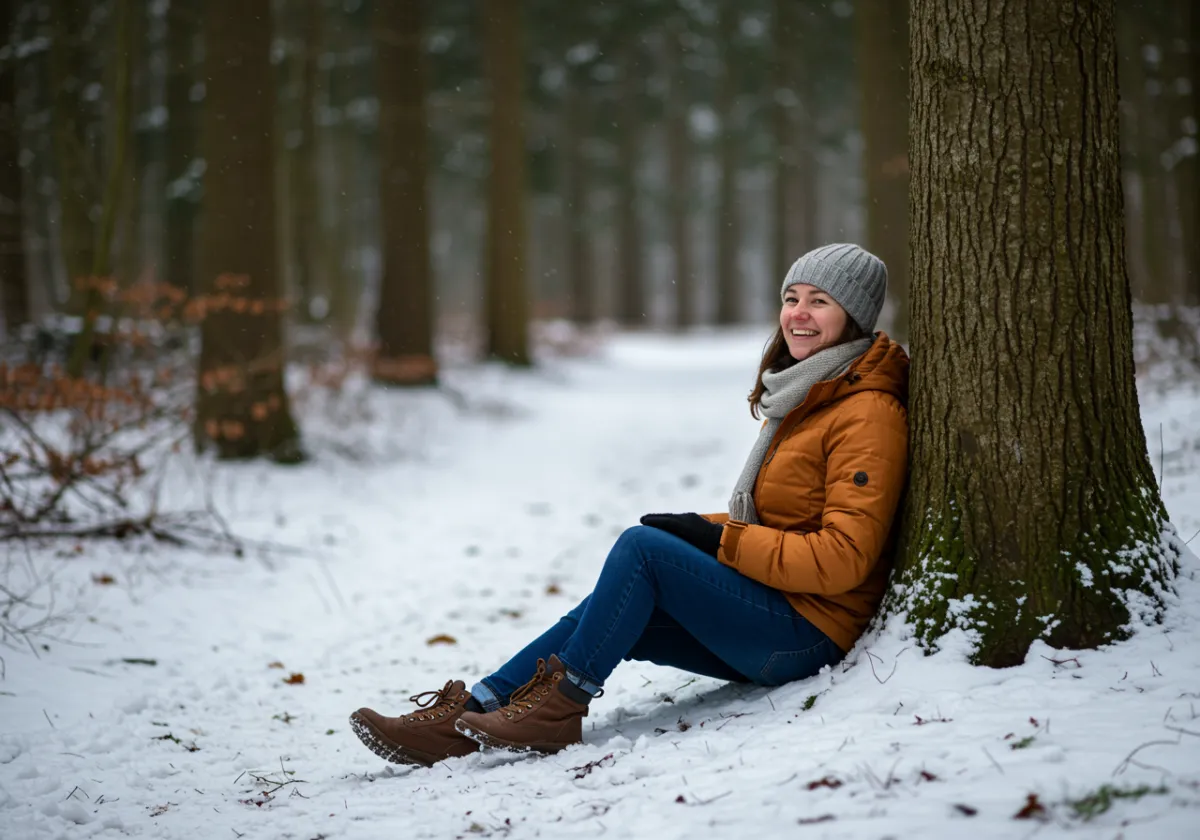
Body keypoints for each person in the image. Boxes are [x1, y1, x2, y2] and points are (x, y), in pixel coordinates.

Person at [350, 242, 910, 765]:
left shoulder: (865, 412)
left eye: (820, 301)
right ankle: (473, 712)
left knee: (642, 551)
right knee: (615, 608)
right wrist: (701, 528)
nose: (799, 314)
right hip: (781, 612)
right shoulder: (811, 392)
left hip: (808, 635)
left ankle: (559, 708)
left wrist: (719, 539)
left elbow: (844, 558)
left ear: (854, 317)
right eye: (791, 299)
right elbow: (783, 519)